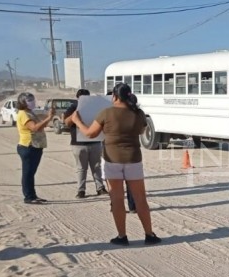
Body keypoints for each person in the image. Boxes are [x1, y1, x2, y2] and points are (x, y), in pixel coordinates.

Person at [73, 83, 160, 246]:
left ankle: (122, 236)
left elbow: (90, 134)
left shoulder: (106, 113)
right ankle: (149, 234)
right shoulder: (139, 113)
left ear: (114, 96)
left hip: (112, 159)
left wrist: (77, 121)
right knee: (140, 199)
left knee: (117, 199)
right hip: (134, 159)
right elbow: (142, 130)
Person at [63, 88, 107, 199]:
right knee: (81, 168)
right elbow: (67, 122)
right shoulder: (73, 107)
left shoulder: (94, 108)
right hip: (78, 144)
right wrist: (75, 114)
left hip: (94, 141)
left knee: (96, 166)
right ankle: (81, 190)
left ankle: (100, 188)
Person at [16, 92, 55, 204]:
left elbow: (40, 125)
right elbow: (34, 128)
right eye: (29, 100)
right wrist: (49, 118)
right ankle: (28, 196)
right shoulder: (23, 114)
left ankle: (32, 195)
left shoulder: (30, 112)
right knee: (28, 173)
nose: (32, 102)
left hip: (36, 146)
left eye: (32, 99)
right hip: (28, 146)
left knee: (31, 173)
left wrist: (48, 117)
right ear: (22, 102)